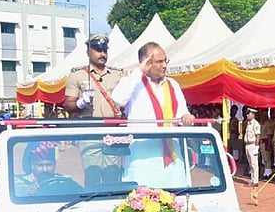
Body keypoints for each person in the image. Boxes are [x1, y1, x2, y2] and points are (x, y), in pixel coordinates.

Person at [111, 42, 195, 187]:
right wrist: (140, 70)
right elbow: (118, 98)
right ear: (147, 63)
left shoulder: (173, 84)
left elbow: (182, 113)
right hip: (142, 158)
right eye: (159, 62)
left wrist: (187, 118)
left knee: (176, 203)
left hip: (172, 158)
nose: (164, 65)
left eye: (165, 61)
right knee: (141, 205)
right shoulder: (133, 82)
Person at [63, 33, 125, 187]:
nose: (102, 54)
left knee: (113, 174)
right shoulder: (77, 75)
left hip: (113, 130)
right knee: (93, 175)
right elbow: (68, 105)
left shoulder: (117, 74)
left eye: (104, 50)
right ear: (88, 52)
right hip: (90, 130)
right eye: (98, 50)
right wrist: (81, 103)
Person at [243, 107, 261, 187]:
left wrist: (256, 147)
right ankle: (252, 180)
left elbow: (258, 136)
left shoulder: (255, 124)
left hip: (252, 145)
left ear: (253, 114)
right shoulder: (248, 123)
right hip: (247, 144)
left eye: (249, 113)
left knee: (254, 164)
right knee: (251, 164)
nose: (247, 115)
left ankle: (255, 181)